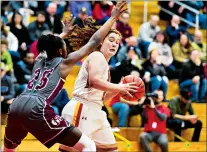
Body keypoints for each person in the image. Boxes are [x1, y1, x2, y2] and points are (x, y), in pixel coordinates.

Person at [2, 2, 129, 152]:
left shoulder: (39, 60)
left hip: (17, 103)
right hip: (37, 106)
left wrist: (64, 33)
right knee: (88, 146)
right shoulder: (65, 63)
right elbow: (94, 41)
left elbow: (49, 45)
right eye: (63, 45)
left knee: (9, 149)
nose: (66, 47)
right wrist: (113, 18)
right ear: (60, 50)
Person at [60, 3, 139, 152]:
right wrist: (119, 86)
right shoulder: (96, 56)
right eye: (111, 40)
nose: (114, 44)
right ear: (102, 41)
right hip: (82, 107)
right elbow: (94, 82)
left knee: (111, 149)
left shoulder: (106, 65)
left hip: (96, 110)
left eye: (117, 42)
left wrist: (119, 89)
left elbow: (102, 99)